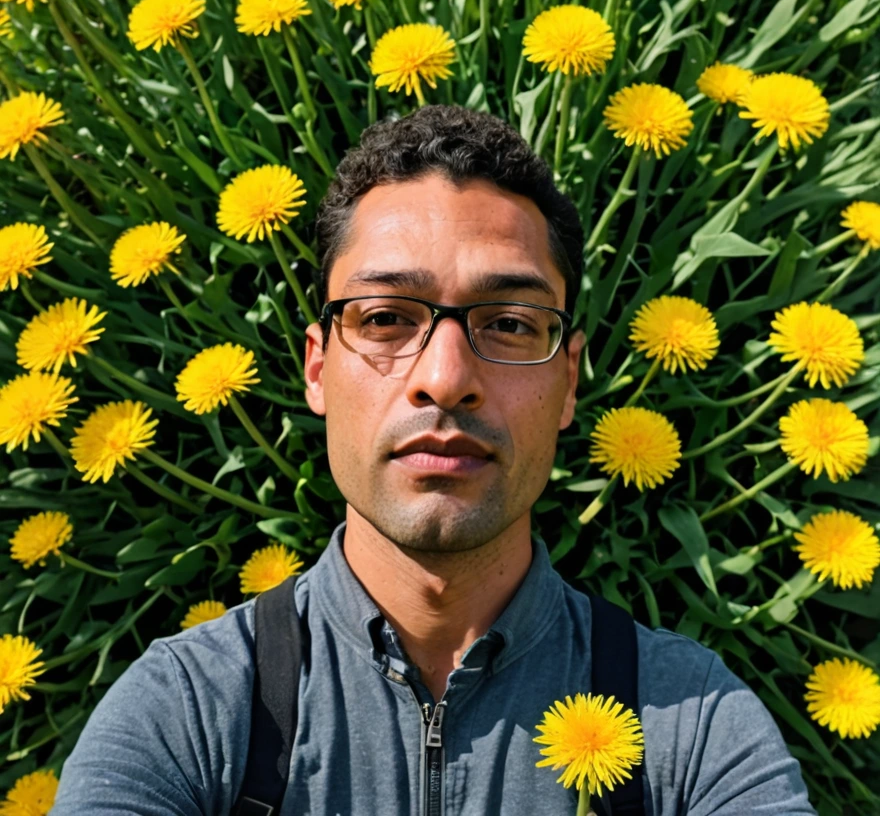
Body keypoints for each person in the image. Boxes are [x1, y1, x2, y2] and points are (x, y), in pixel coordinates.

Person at [51, 104, 817, 815]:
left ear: (569, 380)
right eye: (385, 318)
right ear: (317, 368)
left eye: (512, 323)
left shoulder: (692, 724)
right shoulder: (187, 710)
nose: (445, 378)